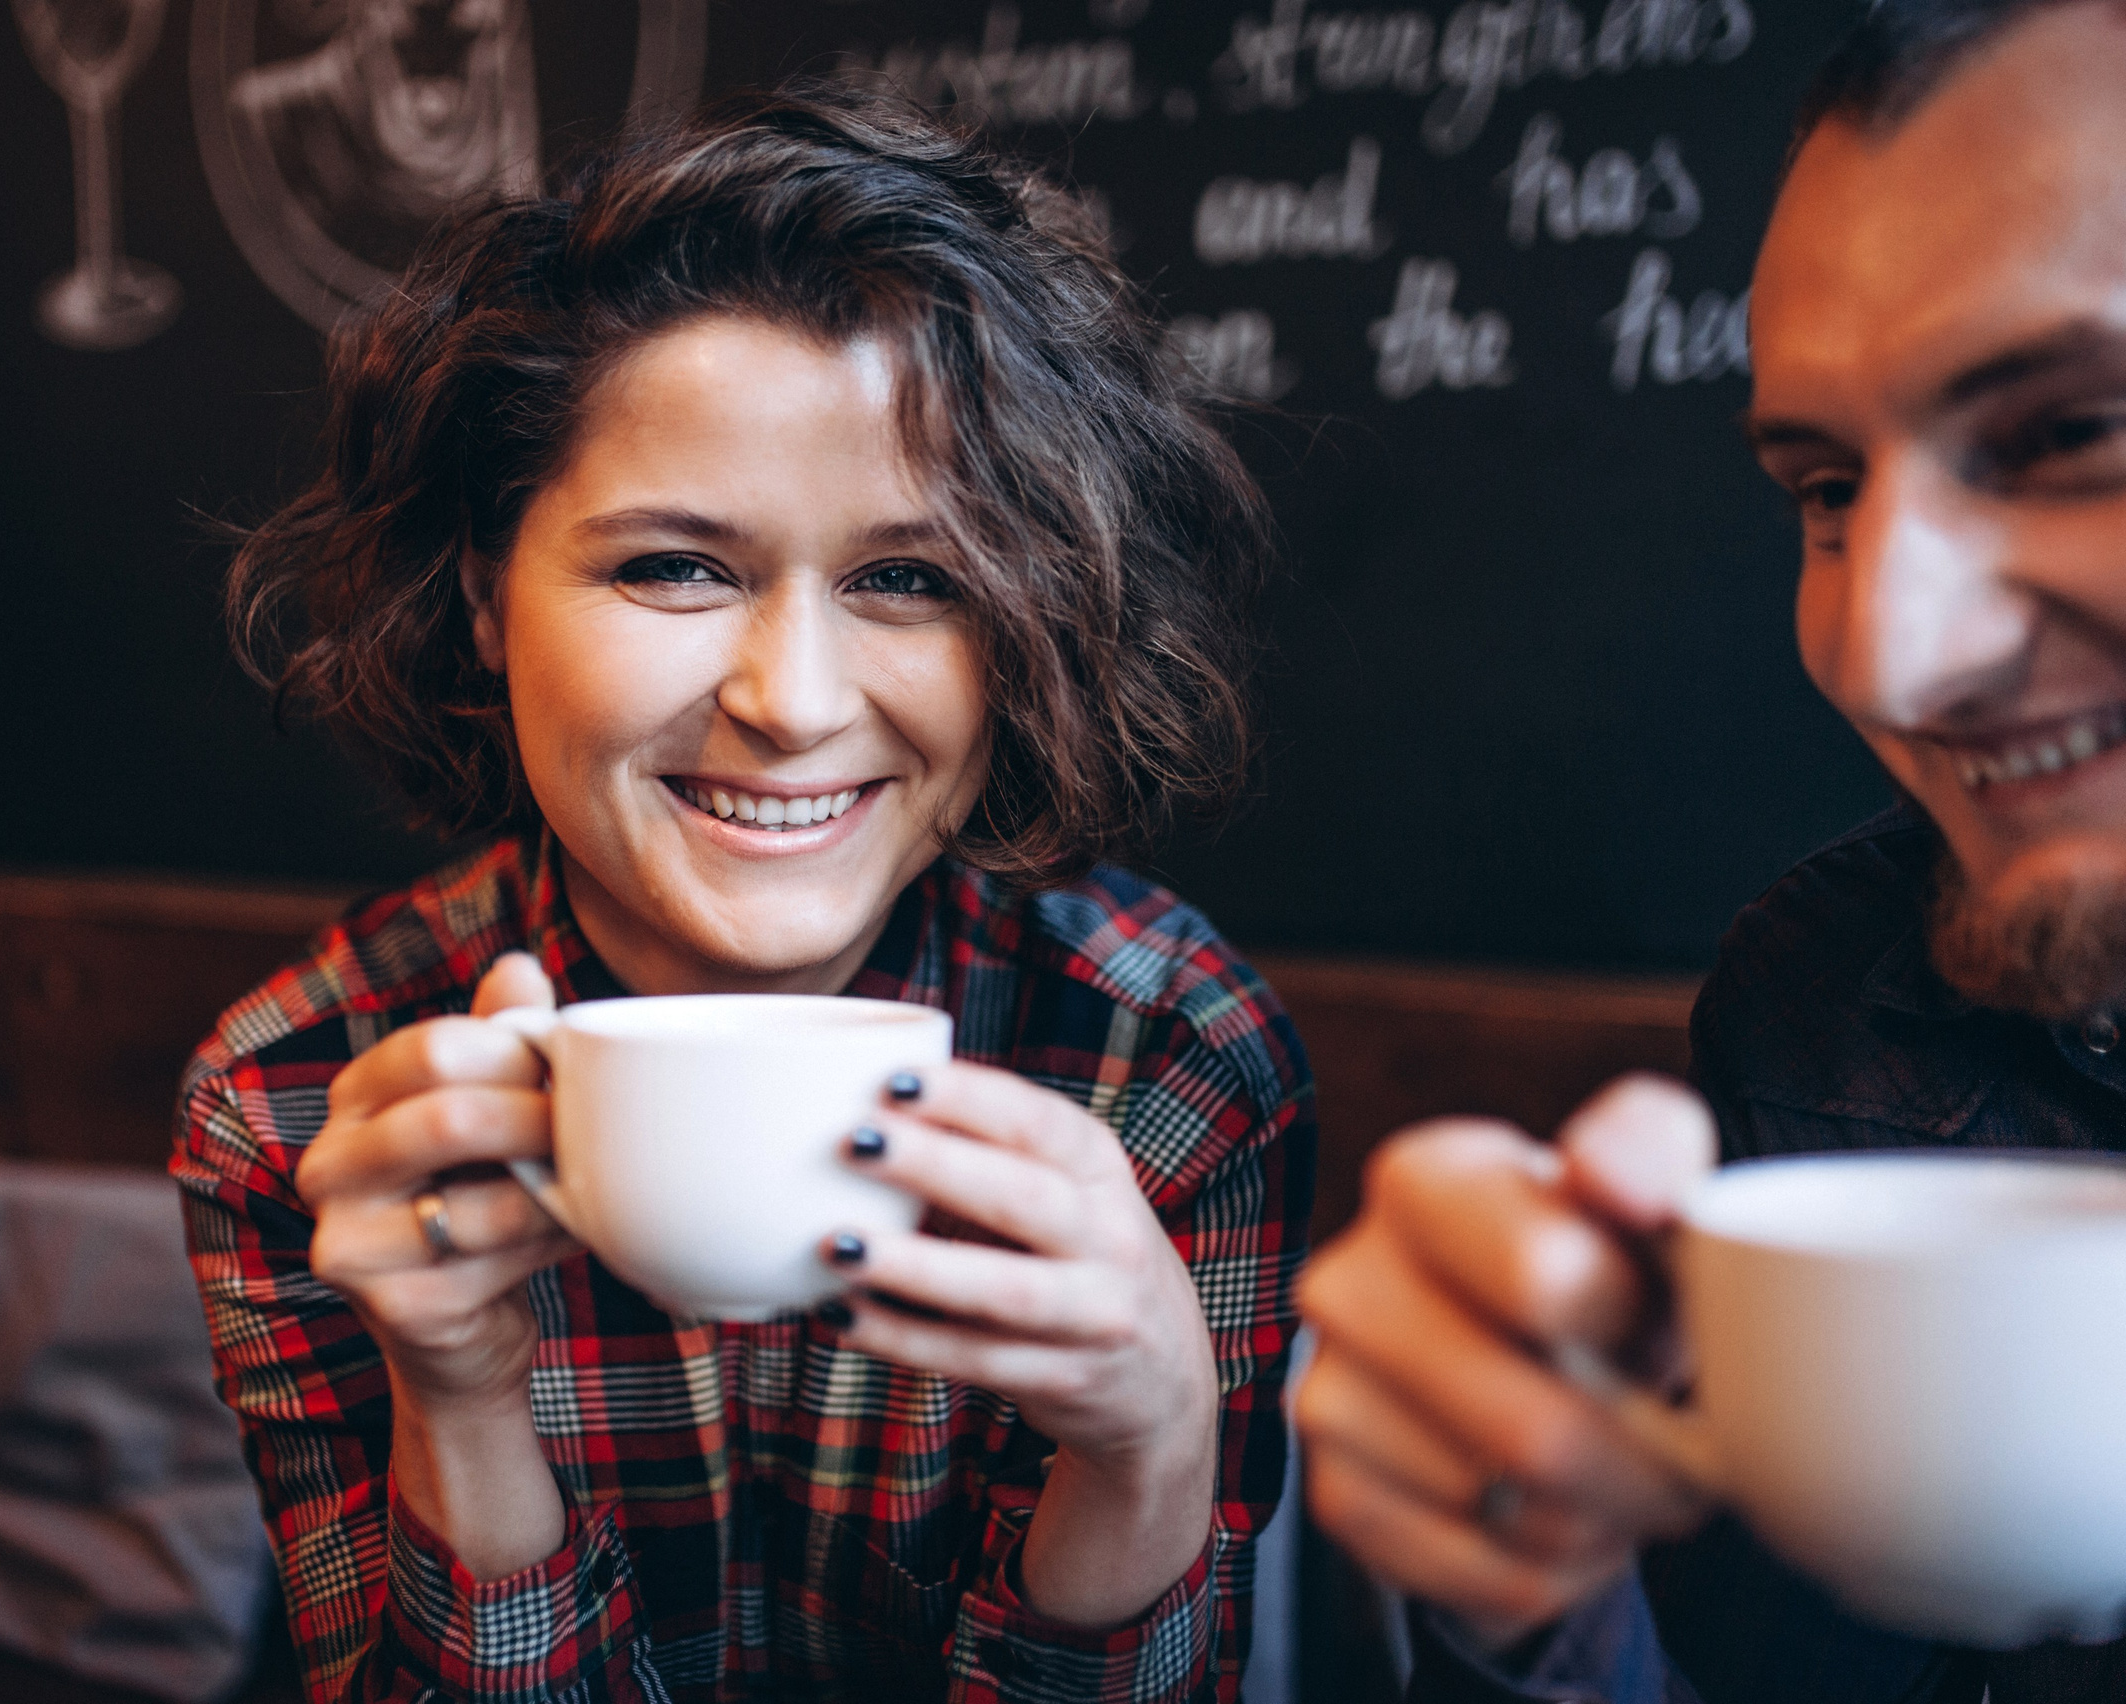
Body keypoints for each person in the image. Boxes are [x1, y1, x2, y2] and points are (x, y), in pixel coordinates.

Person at [175, 87, 1315, 1703]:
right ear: (487, 594)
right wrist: (460, 1397)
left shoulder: (1169, 1064)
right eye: (675, 567)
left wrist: (1144, 1454)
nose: (791, 700)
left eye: (910, 580)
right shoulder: (304, 1102)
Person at [1291, 3, 2126, 1700]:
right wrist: (1533, 1587)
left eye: (2064, 434)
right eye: (1827, 487)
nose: (1884, 655)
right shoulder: (1827, 1005)